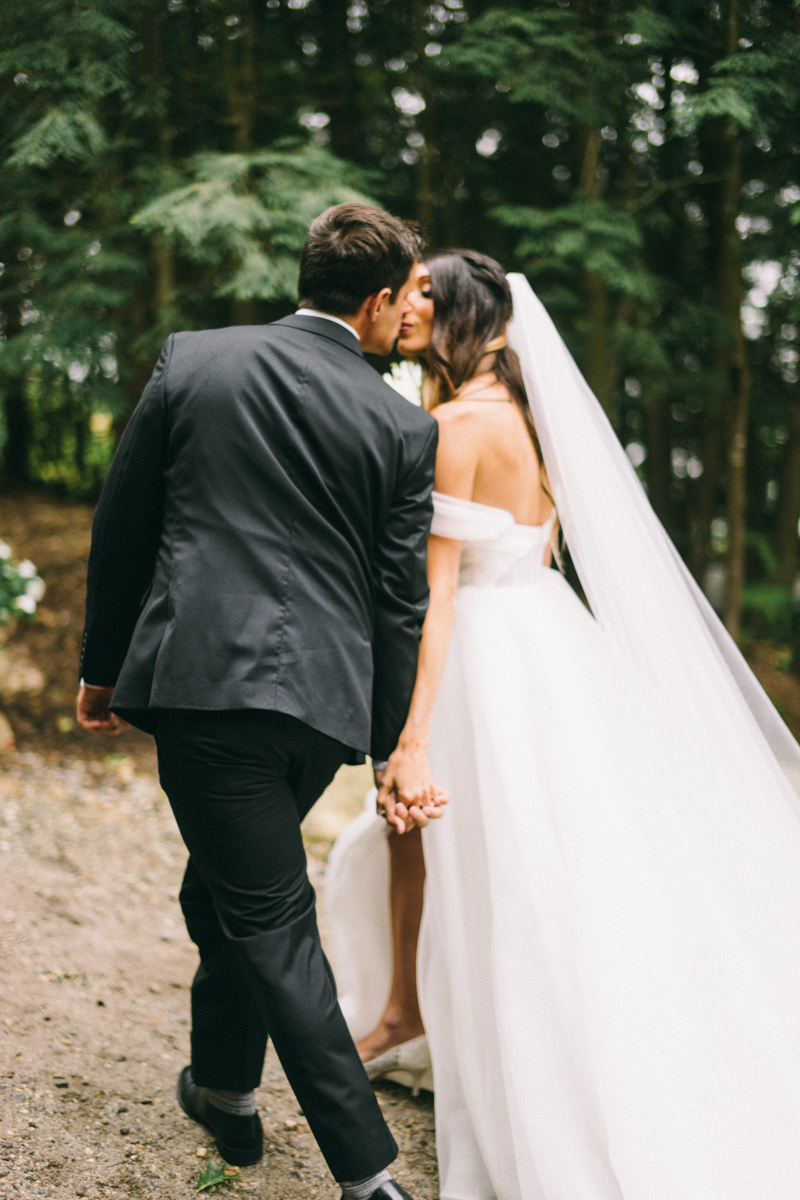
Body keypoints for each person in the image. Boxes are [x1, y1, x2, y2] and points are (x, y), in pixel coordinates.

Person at [326, 250, 800, 1198]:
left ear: (458, 317)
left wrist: (410, 737)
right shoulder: (531, 422)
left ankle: (517, 1066)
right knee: (553, 856)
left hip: (487, 658)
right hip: (550, 636)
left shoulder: (458, 423)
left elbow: (441, 595)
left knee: (505, 867)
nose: (411, 307)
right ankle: (409, 1013)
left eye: (428, 297)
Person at [76, 202, 446, 1200]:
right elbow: (396, 598)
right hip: (320, 709)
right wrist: (378, 743)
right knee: (226, 894)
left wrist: (101, 665)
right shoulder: (402, 426)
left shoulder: (194, 359)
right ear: (374, 303)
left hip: (204, 689)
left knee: (266, 917)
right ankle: (228, 1092)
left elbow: (126, 520)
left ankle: (367, 1173)